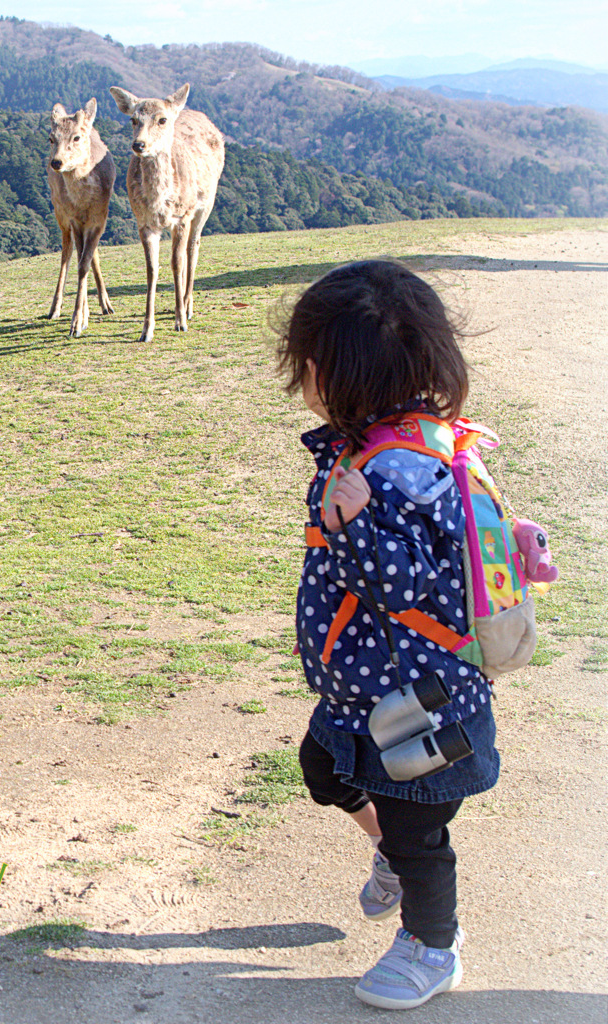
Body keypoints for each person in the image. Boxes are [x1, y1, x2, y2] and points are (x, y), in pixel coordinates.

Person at [276, 260, 500, 1010]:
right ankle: (391, 859)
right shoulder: (393, 440)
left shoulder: (395, 469)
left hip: (418, 702)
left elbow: (402, 585)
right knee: (324, 769)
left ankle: (432, 947)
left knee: (419, 832)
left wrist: (353, 521)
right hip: (366, 691)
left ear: (322, 371)